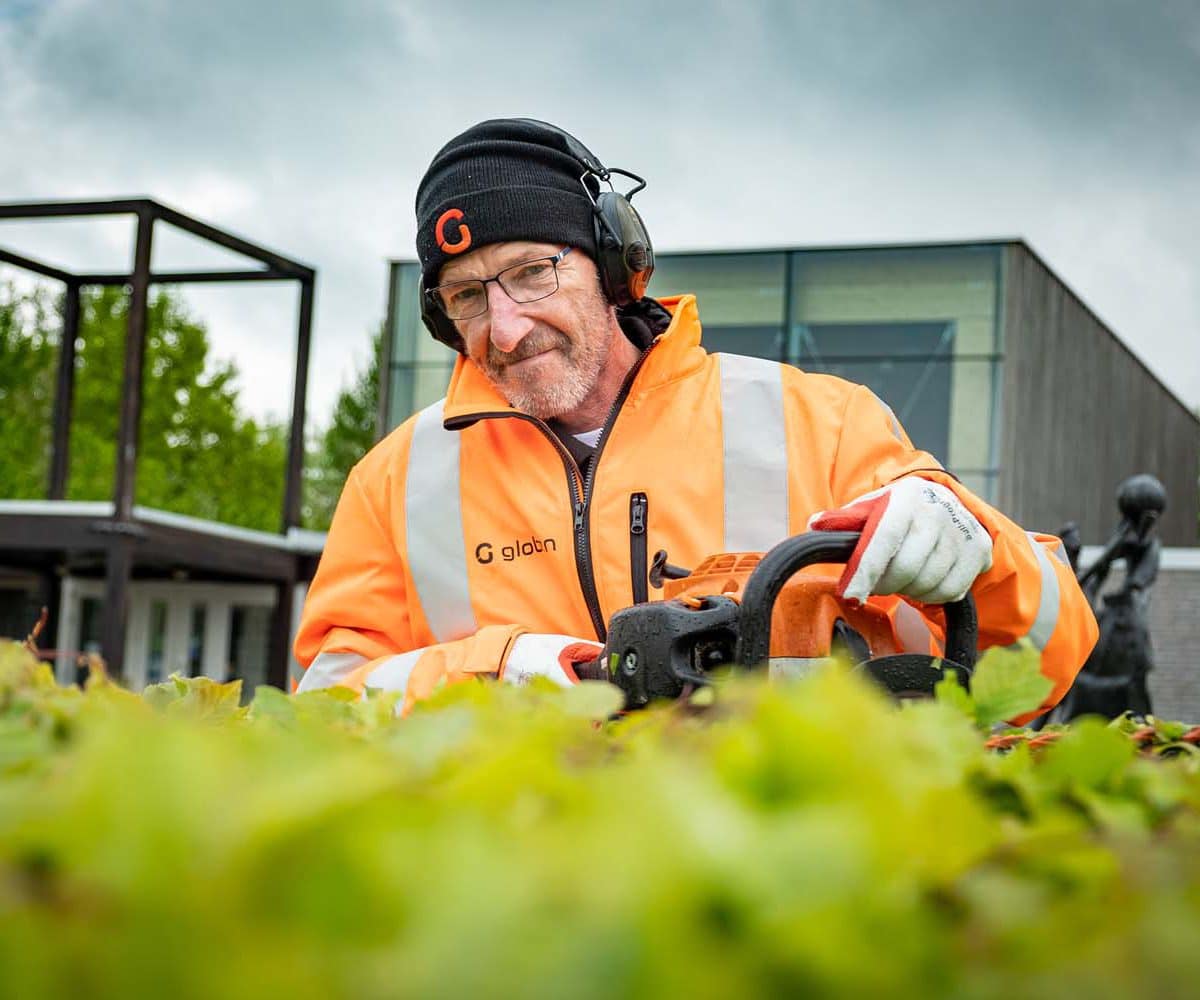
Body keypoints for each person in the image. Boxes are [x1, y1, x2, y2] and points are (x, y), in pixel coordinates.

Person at [294, 118, 1098, 718]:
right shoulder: (396, 480)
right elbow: (323, 703)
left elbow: (1047, 663)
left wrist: (978, 557)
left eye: (532, 273)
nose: (503, 329)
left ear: (615, 266)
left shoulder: (820, 424)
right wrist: (495, 675)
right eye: (468, 295)